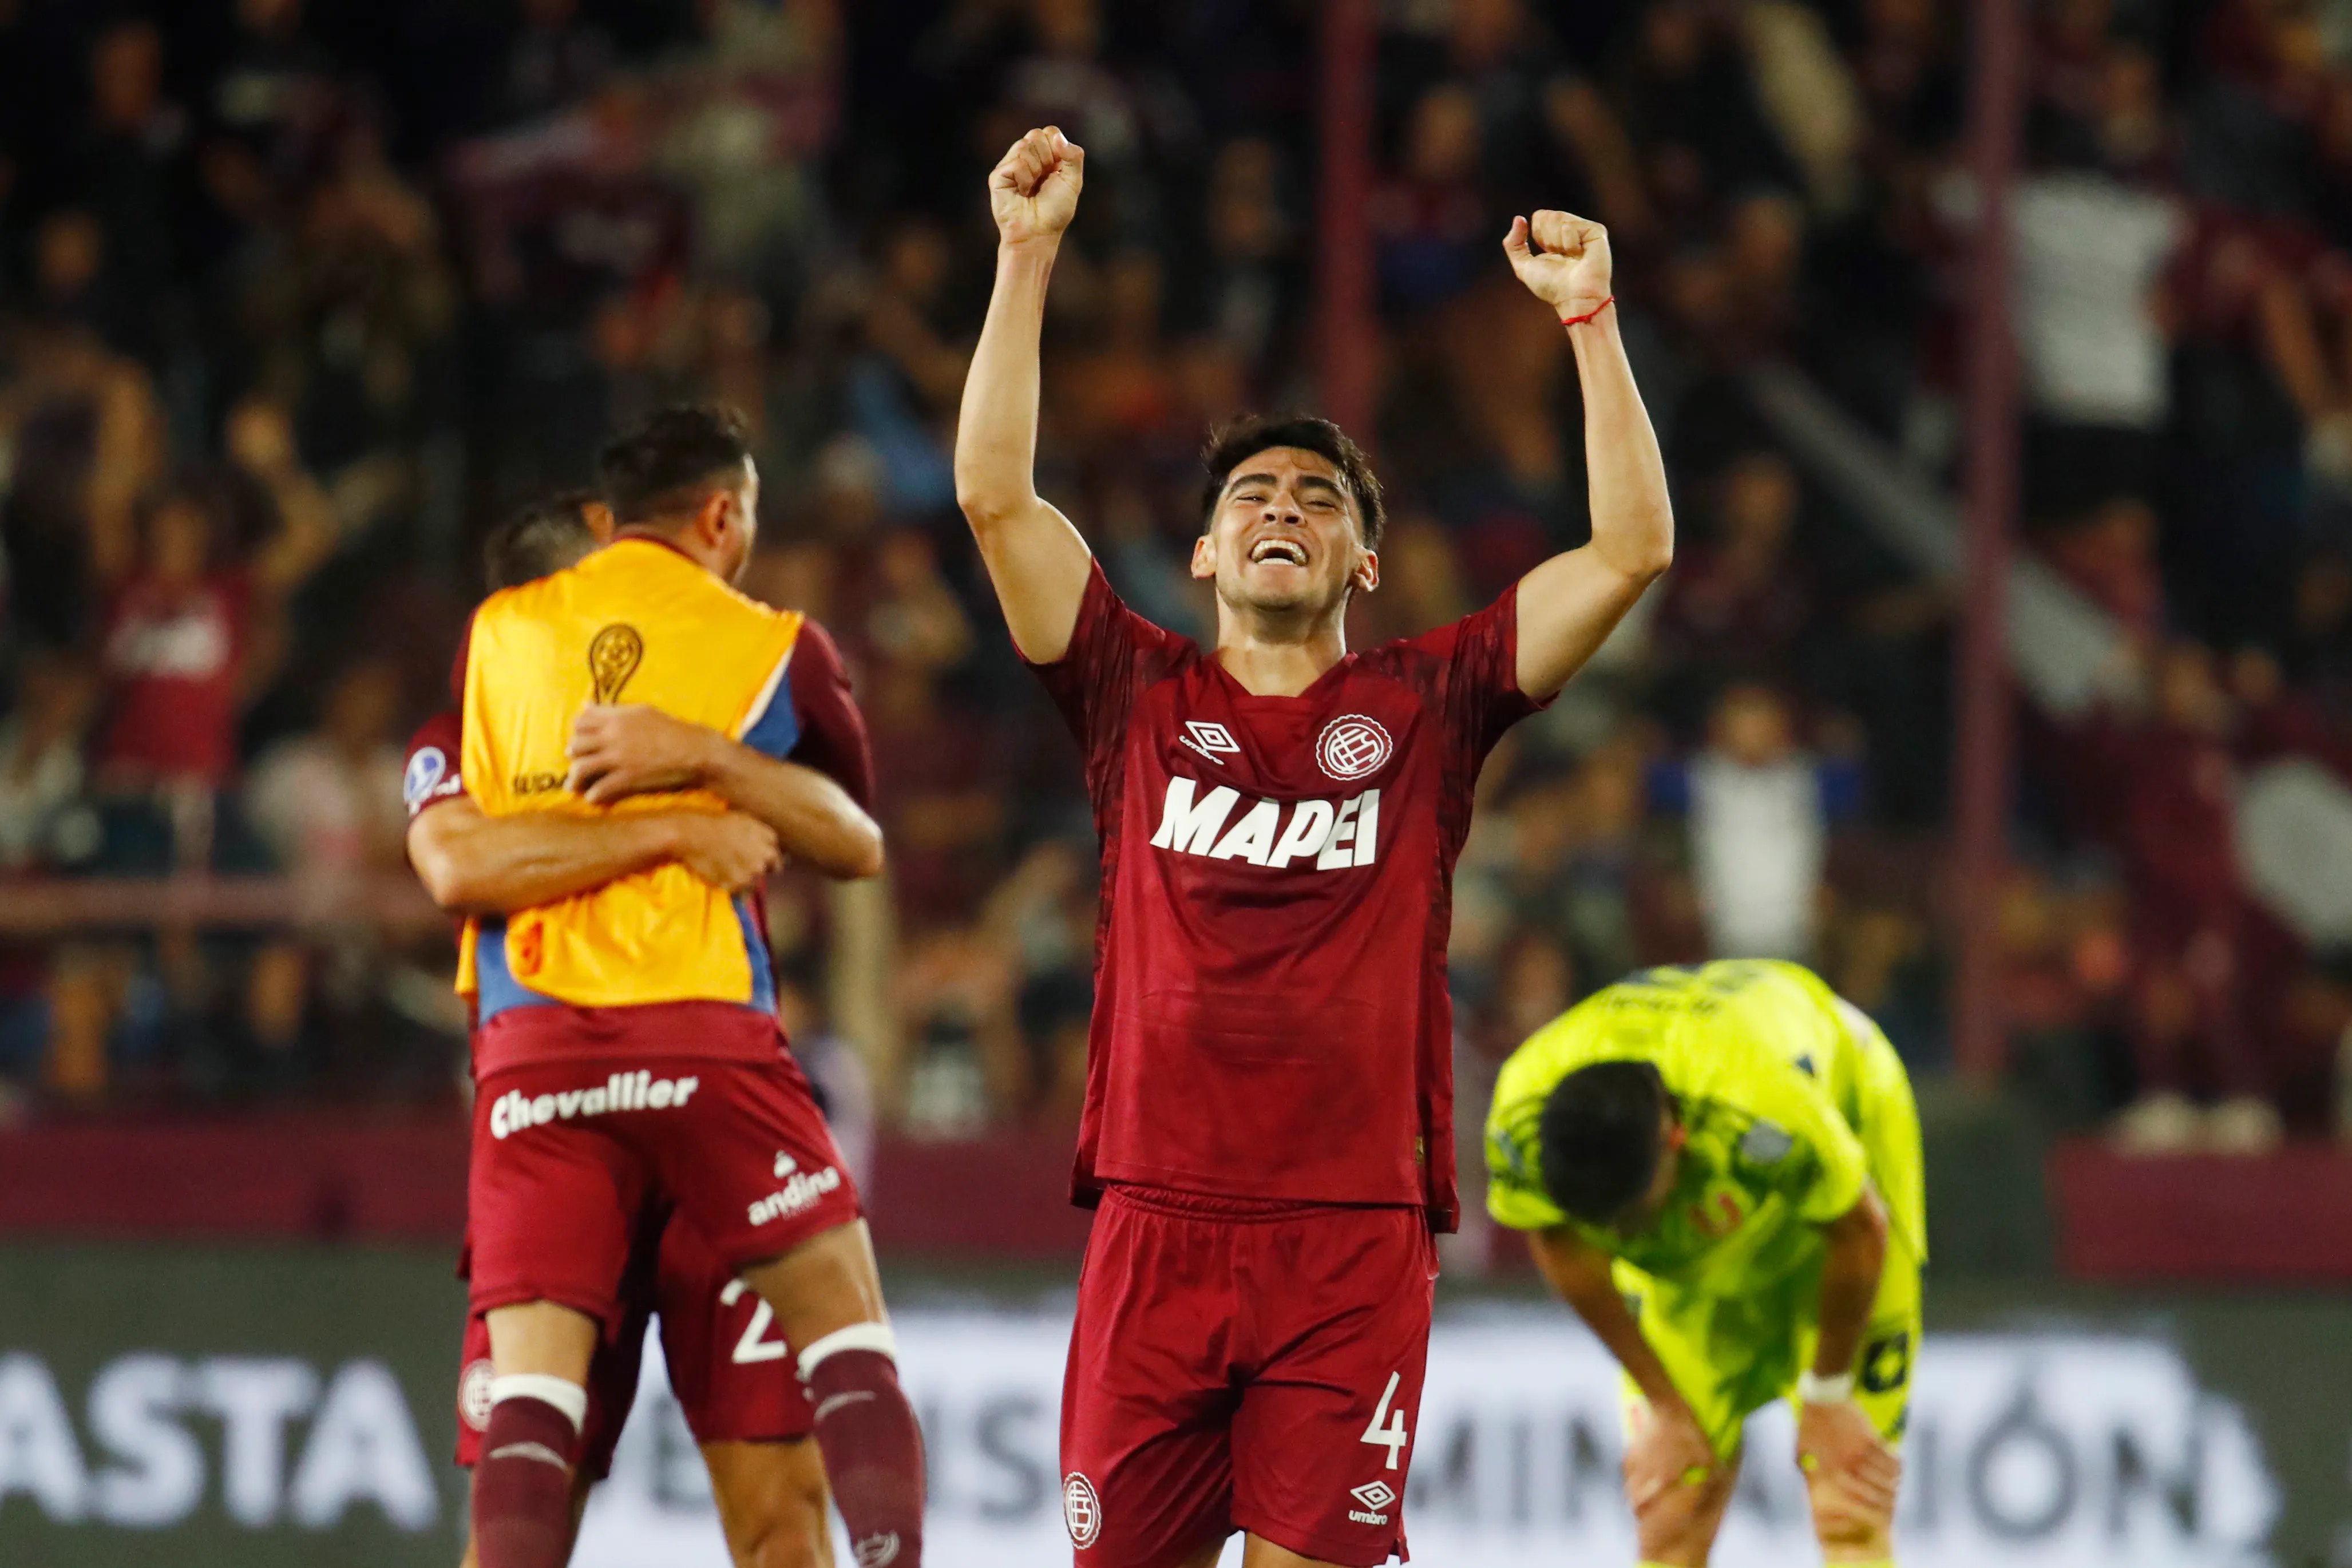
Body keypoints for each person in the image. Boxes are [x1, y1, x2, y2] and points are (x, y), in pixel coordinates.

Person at [953, 126, 1672, 1568]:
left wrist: (1592, 324)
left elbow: (1632, 550)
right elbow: (995, 497)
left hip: (1351, 1236)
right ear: (1207, 556)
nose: (1282, 506)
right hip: (1156, 1219)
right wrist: (1025, 258)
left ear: (1364, 565)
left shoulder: (1431, 703)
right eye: (1250, 499)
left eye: (1319, 500)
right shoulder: (1132, 691)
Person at [450, 406, 920, 1568]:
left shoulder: (494, 640)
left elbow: (469, 857)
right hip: (702, 1043)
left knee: (534, 1412)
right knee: (849, 1341)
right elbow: (854, 838)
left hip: (535, 1064)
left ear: (609, 522)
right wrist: (696, 785)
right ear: (725, 513)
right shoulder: (770, 641)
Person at [1483, 960, 1925, 1568]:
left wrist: (1829, 1395)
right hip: (1705, 1231)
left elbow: (1856, 1232)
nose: (1615, 1237)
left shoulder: (1761, 1107)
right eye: (1600, 1226)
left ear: (1675, 1141)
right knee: (1673, 1511)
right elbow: (1561, 1246)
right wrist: (1665, 1403)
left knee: (1847, 1507)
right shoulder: (1519, 1120)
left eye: (1629, 1220)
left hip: (1845, 1154)